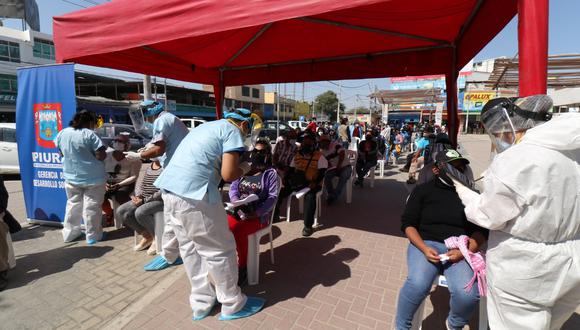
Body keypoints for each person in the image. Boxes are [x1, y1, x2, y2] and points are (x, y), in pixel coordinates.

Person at [451, 95, 580, 330]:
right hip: (572, 262)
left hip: (525, 269)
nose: (499, 136)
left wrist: (465, 192)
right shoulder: (574, 152)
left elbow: (490, 215)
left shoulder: (517, 158)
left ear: (511, 123)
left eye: (499, 129)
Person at [154, 108, 266, 321]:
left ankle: (201, 302)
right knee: (219, 250)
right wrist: (245, 166)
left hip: (170, 191)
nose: (247, 134)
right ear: (243, 124)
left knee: (189, 249)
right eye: (248, 130)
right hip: (195, 196)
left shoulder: (206, 127)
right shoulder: (232, 130)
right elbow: (229, 174)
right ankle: (233, 304)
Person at [396, 149, 488, 330]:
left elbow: (482, 230)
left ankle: (454, 324)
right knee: (417, 284)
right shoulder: (422, 191)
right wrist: (423, 248)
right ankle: (401, 327)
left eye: (460, 167)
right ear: (437, 169)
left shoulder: (472, 195)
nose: (457, 171)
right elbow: (408, 224)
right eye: (452, 167)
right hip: (426, 243)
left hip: (459, 247)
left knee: (467, 294)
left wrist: (465, 251)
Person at [125, 100, 189, 271]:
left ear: (148, 113)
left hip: (176, 174)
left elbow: (158, 150)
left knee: (171, 216)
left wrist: (139, 156)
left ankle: (171, 255)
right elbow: (159, 145)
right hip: (177, 172)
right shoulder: (170, 119)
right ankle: (169, 254)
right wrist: (145, 150)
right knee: (171, 217)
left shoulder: (161, 120)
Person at [227, 140, 279, 286]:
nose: (257, 154)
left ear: (268, 155)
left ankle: (243, 266)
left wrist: (257, 213)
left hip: (258, 216)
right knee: (222, 227)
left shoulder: (270, 173)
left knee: (238, 230)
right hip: (239, 209)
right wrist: (236, 200)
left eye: (262, 152)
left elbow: (272, 197)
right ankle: (229, 262)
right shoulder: (244, 169)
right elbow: (233, 188)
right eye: (255, 151)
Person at [55, 110, 107, 245]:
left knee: (72, 205)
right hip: (93, 178)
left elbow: (60, 151)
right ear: (90, 122)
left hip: (71, 177)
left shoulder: (63, 133)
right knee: (92, 207)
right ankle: (93, 236)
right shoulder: (89, 134)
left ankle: (70, 234)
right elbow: (101, 154)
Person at [275, 134, 328, 236]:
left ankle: (308, 226)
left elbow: (322, 173)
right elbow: (290, 170)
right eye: (304, 143)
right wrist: (285, 180)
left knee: (310, 197)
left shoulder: (320, 157)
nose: (306, 145)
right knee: (280, 191)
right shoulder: (297, 155)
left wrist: (315, 183)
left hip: (313, 183)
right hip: (298, 182)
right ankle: (275, 214)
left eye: (309, 143)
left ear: (314, 144)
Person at [116, 159, 164, 253]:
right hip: (144, 198)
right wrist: (138, 196)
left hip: (160, 200)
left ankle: (157, 238)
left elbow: (163, 191)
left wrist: (144, 200)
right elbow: (142, 184)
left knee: (141, 212)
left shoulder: (166, 166)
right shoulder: (151, 165)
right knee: (121, 210)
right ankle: (147, 235)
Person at [102, 133, 141, 225]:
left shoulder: (134, 159)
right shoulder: (106, 156)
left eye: (120, 141)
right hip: (107, 183)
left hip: (125, 183)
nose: (117, 143)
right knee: (98, 196)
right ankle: (109, 213)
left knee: (121, 195)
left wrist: (119, 185)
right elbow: (99, 171)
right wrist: (104, 183)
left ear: (127, 145)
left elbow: (134, 176)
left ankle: (131, 215)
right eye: (115, 140)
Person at [319, 134, 351, 205]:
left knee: (344, 176)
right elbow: (324, 161)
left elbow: (342, 153)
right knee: (327, 177)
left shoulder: (335, 145)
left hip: (345, 166)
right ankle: (331, 194)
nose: (320, 144)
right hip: (333, 168)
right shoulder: (322, 150)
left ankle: (333, 196)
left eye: (321, 142)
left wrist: (339, 165)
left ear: (326, 141)